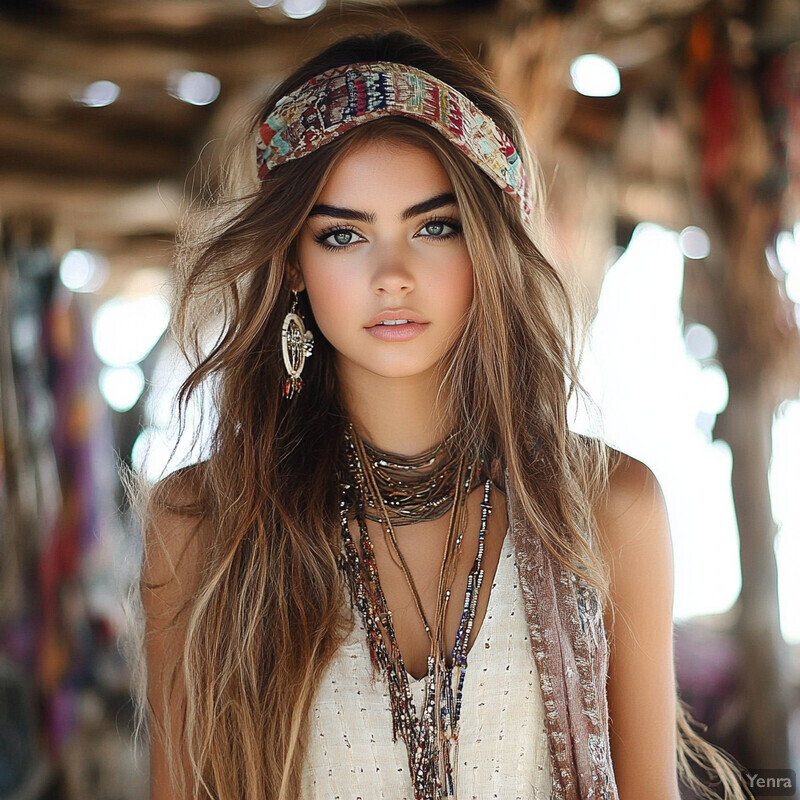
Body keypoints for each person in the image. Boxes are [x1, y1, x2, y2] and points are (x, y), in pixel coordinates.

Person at [130, 28, 754, 800]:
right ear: (293, 257)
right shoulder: (203, 529)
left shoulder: (607, 511)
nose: (391, 275)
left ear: (488, 242)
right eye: (344, 235)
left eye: (434, 225)